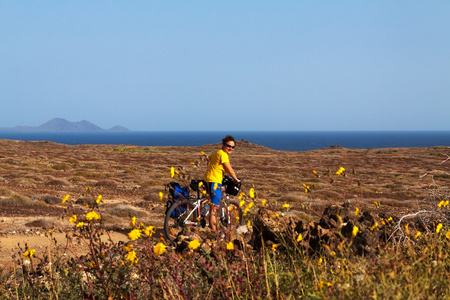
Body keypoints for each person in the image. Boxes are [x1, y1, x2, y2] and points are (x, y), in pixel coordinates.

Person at [204, 135, 239, 233]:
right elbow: (230, 169)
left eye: (233, 147)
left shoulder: (216, 153)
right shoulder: (223, 155)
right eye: (228, 146)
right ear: (223, 145)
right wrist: (236, 179)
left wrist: (214, 169)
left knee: (209, 200)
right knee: (214, 209)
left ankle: (202, 210)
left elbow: (209, 159)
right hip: (215, 181)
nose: (230, 148)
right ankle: (215, 233)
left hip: (207, 178)